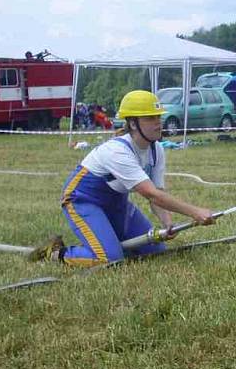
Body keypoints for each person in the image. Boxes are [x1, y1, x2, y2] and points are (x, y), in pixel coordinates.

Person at [29, 90, 214, 265]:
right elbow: (151, 194)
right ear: (133, 124)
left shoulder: (156, 149)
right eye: (150, 118)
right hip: (82, 201)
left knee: (155, 251)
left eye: (158, 116)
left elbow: (158, 193)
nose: (158, 122)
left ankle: (109, 241)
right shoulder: (117, 151)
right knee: (109, 259)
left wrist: (168, 223)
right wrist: (195, 212)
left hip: (116, 203)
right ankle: (54, 253)